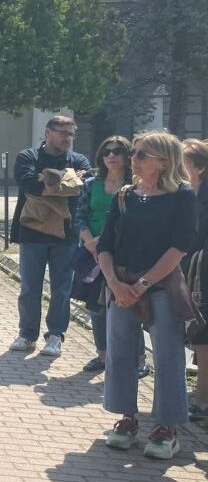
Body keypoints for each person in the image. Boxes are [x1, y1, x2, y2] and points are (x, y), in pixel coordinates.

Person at [97, 131, 197, 460]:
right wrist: (114, 283)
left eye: (142, 155)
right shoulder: (124, 195)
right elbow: (105, 245)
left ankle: (168, 427)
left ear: (164, 161)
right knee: (121, 352)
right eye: (134, 153)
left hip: (161, 285)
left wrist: (141, 284)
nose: (133, 160)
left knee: (168, 356)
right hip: (121, 284)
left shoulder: (182, 196)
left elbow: (180, 247)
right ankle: (127, 419)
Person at [8, 116, 92, 357]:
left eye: (71, 134)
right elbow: (29, 184)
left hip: (66, 234)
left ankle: (55, 335)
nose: (68, 138)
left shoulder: (79, 160)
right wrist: (66, 181)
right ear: (48, 132)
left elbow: (80, 188)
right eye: (63, 132)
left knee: (62, 289)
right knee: (30, 288)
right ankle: (27, 334)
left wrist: (48, 180)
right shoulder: (28, 157)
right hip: (32, 231)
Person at [75, 135, 148, 377]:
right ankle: (103, 356)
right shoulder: (90, 184)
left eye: (117, 151)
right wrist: (90, 243)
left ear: (127, 156)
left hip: (124, 254)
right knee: (97, 308)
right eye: (106, 152)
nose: (111, 156)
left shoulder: (136, 185)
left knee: (127, 306)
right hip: (93, 254)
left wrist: (104, 243)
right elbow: (81, 216)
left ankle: (138, 360)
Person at [182, 139, 208, 419]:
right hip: (190, 269)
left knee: (203, 336)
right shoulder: (188, 191)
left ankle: (202, 401)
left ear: (198, 167)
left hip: (204, 272)